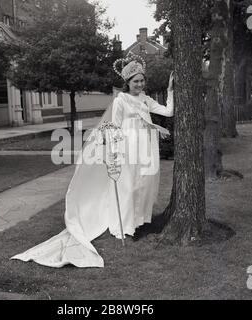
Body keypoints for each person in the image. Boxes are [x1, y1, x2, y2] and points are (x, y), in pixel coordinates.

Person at [11, 56, 174, 268]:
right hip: (128, 150)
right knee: (128, 187)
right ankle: (124, 226)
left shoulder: (146, 99)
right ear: (128, 82)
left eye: (142, 81)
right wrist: (115, 153)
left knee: (145, 185)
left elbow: (168, 112)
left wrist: (171, 90)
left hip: (146, 148)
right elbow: (114, 127)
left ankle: (140, 221)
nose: (140, 85)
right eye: (136, 81)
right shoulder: (120, 101)